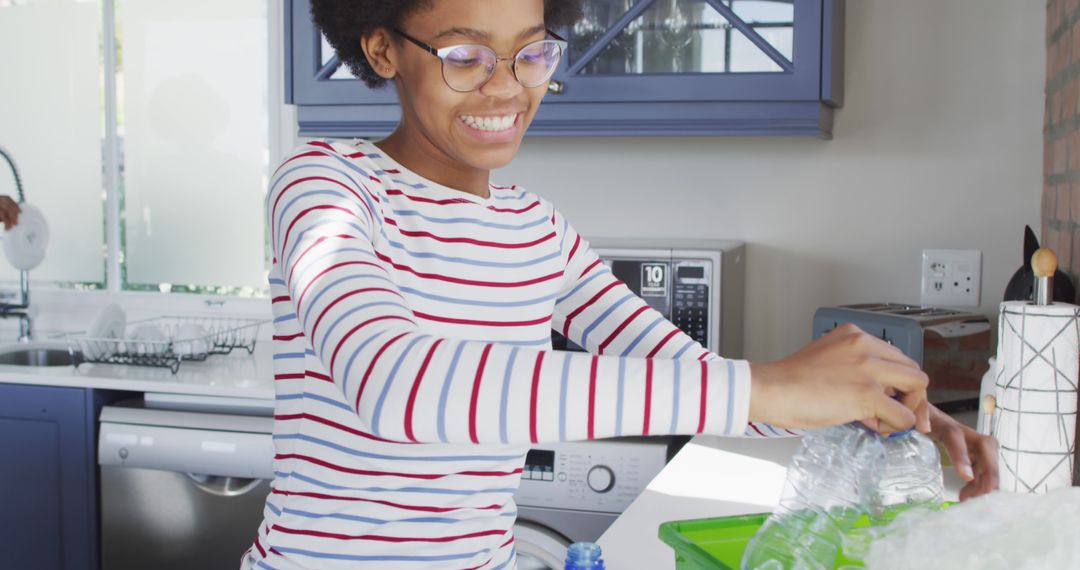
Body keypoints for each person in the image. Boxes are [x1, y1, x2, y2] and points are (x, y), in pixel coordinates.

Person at [244, 1, 998, 568]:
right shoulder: (327, 185)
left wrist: (887, 412)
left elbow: (698, 381)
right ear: (382, 48)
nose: (507, 88)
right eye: (466, 55)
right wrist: (765, 386)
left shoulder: (538, 230)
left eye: (531, 54)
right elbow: (399, 385)